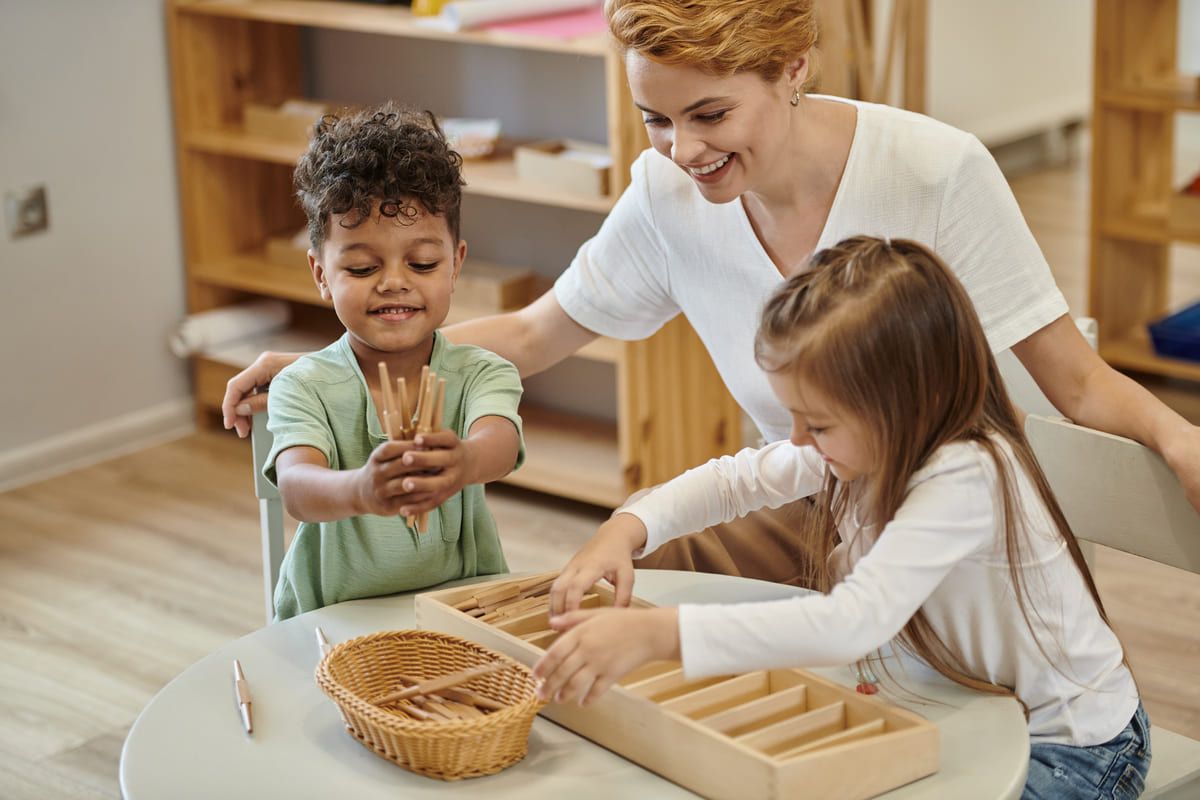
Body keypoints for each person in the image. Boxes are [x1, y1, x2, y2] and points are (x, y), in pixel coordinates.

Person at [223, 0, 1200, 586]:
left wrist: (1177, 435)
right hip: (804, 497)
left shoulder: (936, 171)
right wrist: (331, 362)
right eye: (655, 117)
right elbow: (532, 330)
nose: (683, 151)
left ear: (793, 67)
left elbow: (1071, 382)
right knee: (613, 612)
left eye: (710, 113)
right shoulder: (668, 191)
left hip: (953, 523)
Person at [533, 236, 1152, 800]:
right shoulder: (861, 446)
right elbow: (734, 480)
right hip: (965, 707)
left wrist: (657, 634)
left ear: (907, 402)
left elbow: (849, 623)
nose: (798, 439)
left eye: (818, 422)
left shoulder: (966, 474)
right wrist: (626, 528)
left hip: (1075, 750)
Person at [263, 103, 524, 621]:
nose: (393, 282)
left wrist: (463, 463)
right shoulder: (304, 385)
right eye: (361, 267)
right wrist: (361, 489)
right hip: (335, 619)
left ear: (456, 265)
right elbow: (298, 489)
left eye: (422, 263)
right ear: (320, 273)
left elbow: (500, 444)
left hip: (461, 612)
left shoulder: (480, 372)